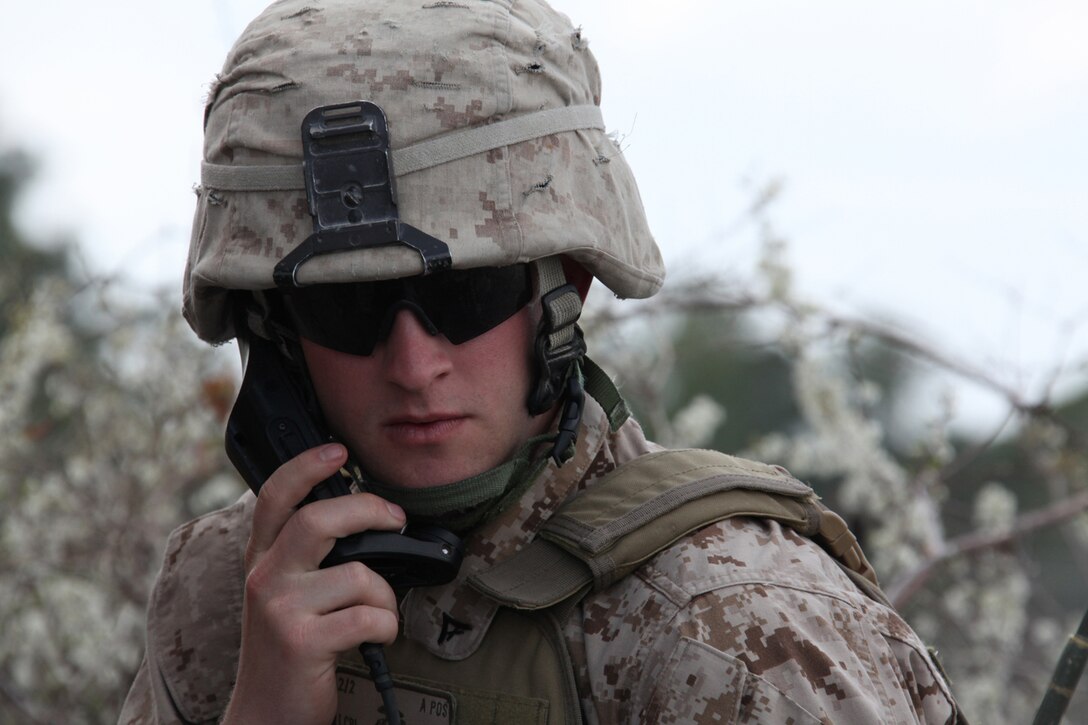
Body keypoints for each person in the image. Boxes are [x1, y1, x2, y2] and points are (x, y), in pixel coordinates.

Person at [121, 0, 963, 722]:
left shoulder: (736, 627)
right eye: (348, 306)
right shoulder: (224, 598)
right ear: (275, 331)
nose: (414, 364)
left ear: (568, 286)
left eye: (466, 296)